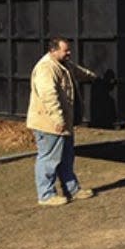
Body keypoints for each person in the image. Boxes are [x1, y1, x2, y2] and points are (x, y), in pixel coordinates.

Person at [26, 37, 98, 206]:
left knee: (66, 157)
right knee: (48, 159)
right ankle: (46, 195)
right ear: (53, 51)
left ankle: (72, 189)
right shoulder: (46, 68)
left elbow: (78, 72)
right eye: (65, 50)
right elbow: (49, 96)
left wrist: (94, 77)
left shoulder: (64, 64)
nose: (69, 53)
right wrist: (58, 119)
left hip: (63, 123)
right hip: (49, 124)